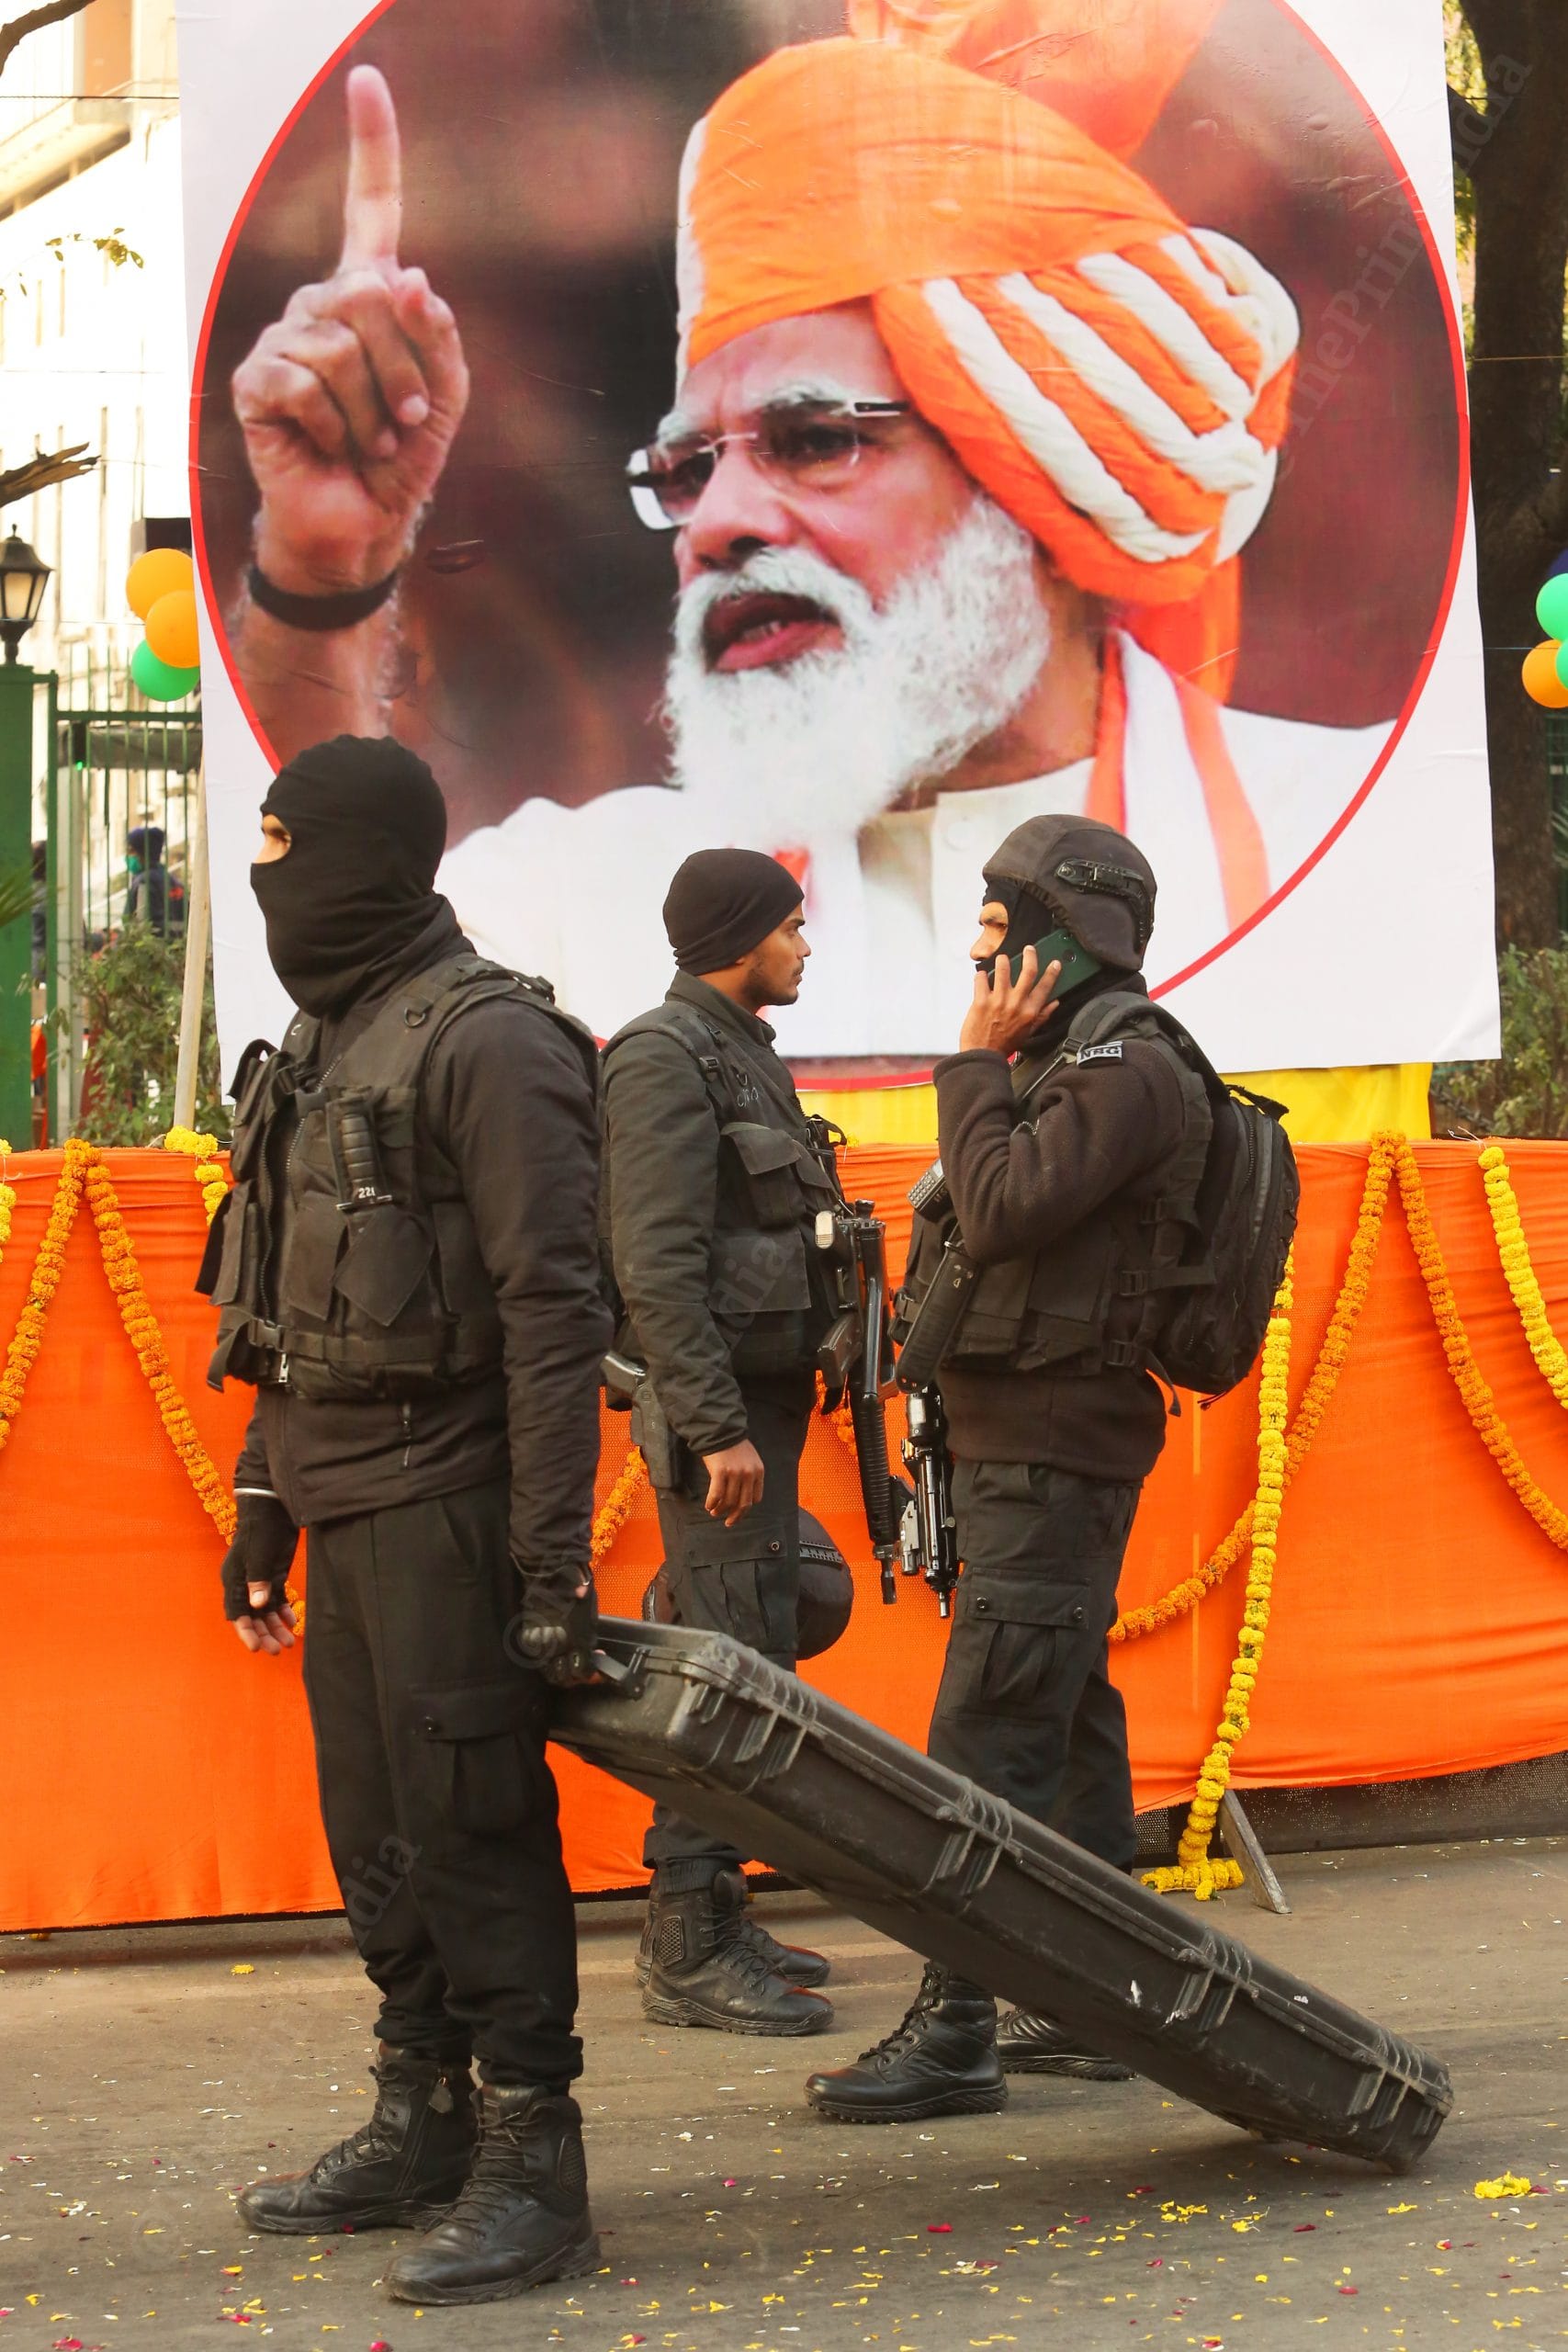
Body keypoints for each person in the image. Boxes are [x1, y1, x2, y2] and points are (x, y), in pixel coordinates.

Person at [223, 2, 1391, 1053]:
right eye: (688, 468)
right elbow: (346, 990)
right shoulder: (583, 900)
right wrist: (322, 573)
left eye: (818, 438)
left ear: (1036, 472)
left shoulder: (1344, 843)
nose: (718, 523)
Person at [205, 734, 612, 2305]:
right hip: (341, 1500)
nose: (265, 877)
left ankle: (534, 2160)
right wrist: (264, 1499)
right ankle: (421, 2112)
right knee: (376, 1832)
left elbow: (556, 1315)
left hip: (448, 1502)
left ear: (366, 857)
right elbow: (276, 1301)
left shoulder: (489, 1041)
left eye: (283, 845)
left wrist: (549, 1563)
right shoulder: (327, 1037)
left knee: (473, 1828)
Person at [804, 813, 1208, 2123]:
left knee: (985, 1733)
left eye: (996, 927)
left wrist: (972, 1064)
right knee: (1063, 1718)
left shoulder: (1127, 1070)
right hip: (1023, 1447)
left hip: (1054, 1450)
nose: (978, 954)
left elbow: (997, 1208)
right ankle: (1091, 2005)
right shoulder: (1075, 1064)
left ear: (1065, 937)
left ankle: (955, 2024)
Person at [600, 847, 842, 2036]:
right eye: (791, 927)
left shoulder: (741, 1052)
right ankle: (686, 1940)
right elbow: (653, 1264)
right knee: (729, 1666)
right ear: (741, 936)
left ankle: (718, 1906)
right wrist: (711, 1428)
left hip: (759, 1414)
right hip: (722, 1429)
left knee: (755, 1650)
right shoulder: (663, 1056)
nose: (804, 946)